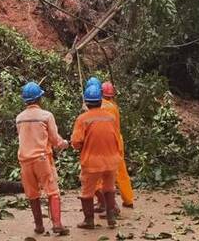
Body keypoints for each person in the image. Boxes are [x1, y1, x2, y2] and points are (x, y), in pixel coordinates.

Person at [16, 81, 70, 236]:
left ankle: (39, 226)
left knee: (32, 194)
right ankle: (57, 224)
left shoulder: (19, 118)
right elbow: (55, 140)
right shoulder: (46, 116)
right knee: (53, 192)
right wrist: (65, 143)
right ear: (40, 98)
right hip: (42, 159)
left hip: (25, 161)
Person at [71, 82, 121, 229]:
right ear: (101, 101)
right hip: (112, 159)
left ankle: (88, 220)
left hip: (92, 161)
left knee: (87, 191)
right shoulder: (110, 117)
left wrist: (81, 146)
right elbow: (116, 136)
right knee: (109, 188)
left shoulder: (82, 119)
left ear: (86, 102)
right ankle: (111, 218)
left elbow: (76, 142)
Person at [93, 81, 134, 214]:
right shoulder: (114, 106)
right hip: (117, 140)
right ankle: (128, 199)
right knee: (121, 172)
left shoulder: (100, 107)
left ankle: (108, 204)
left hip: (105, 142)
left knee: (102, 174)